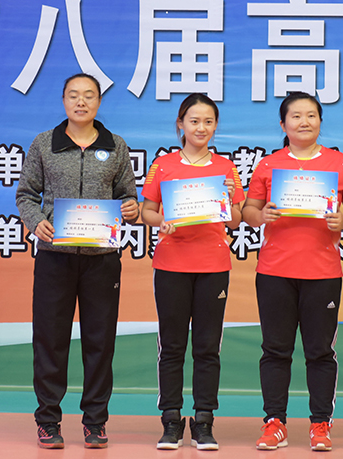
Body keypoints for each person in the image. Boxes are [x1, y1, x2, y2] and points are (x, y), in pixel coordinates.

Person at [16, 73, 139, 449]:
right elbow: (26, 194)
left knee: (100, 342)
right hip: (55, 258)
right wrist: (36, 222)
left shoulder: (116, 146)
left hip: (102, 260)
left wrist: (131, 209)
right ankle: (48, 420)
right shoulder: (44, 144)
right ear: (63, 101)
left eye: (88, 95)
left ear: (99, 102)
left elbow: (127, 197)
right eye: (73, 95)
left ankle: (95, 422)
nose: (81, 102)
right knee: (50, 340)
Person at [243, 92, 343, 452]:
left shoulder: (338, 162)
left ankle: (320, 424)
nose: (304, 122)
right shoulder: (269, 165)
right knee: (275, 350)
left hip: (323, 272)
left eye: (311, 115)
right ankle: (274, 422)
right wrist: (260, 215)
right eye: (296, 116)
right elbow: (249, 210)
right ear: (283, 124)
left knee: (320, 351)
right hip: (275, 271)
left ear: (320, 122)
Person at [141, 93, 244, 451]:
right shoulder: (163, 165)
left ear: (215, 127)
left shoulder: (226, 168)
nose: (201, 128)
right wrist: (161, 221)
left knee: (207, 346)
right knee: (171, 345)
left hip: (213, 266)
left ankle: (204, 420)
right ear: (180, 124)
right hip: (171, 264)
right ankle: (171, 419)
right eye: (194, 121)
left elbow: (235, 219)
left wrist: (230, 199)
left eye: (208, 122)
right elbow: (147, 211)